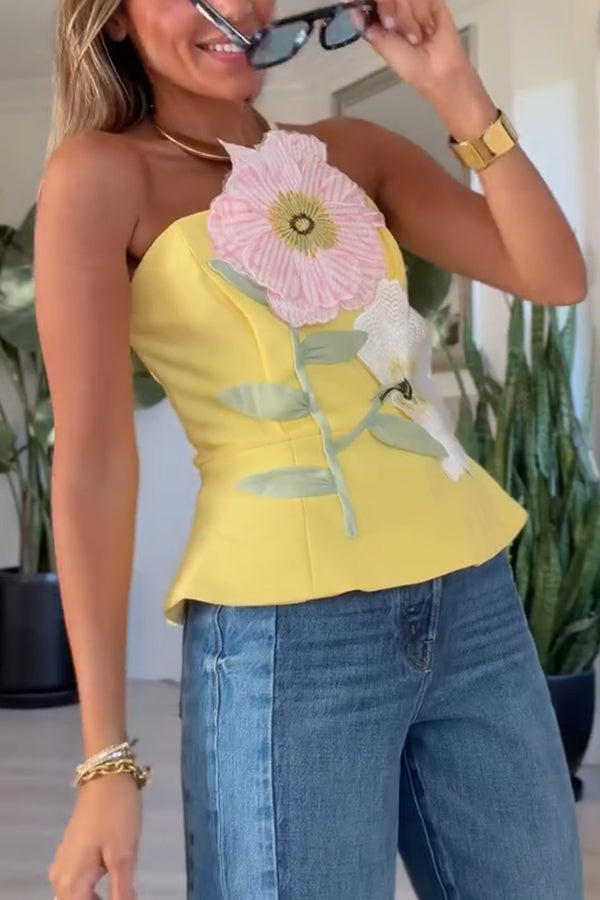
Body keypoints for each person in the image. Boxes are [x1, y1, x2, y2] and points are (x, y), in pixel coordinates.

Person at [35, 0, 587, 897]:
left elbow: (554, 275)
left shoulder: (353, 152)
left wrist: (453, 87)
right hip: (288, 640)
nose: (233, 8)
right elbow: (93, 462)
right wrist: (106, 761)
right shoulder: (100, 176)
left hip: (475, 604)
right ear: (118, 19)